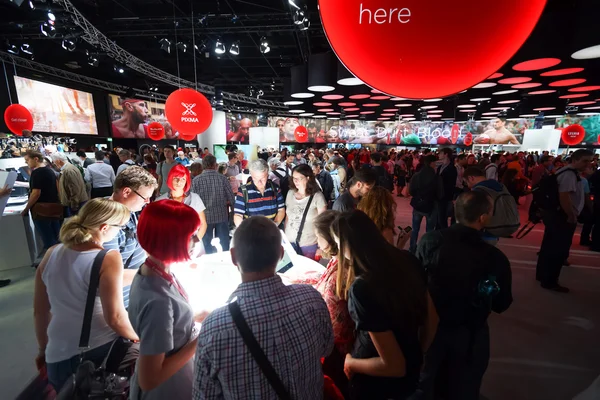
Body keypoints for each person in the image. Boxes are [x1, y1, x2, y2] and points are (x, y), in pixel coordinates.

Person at [193, 216, 334, 399]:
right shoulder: (311, 299)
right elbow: (326, 349)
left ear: (233, 257)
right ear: (281, 254)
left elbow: (204, 396)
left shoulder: (215, 327)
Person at [33, 198, 139, 391]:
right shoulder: (109, 257)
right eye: (121, 227)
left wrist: (42, 350)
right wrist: (139, 336)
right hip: (98, 352)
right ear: (105, 228)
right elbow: (115, 318)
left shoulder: (51, 253)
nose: (121, 232)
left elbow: (40, 312)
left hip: (57, 354)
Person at [331, 210, 438, 400]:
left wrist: (351, 363)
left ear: (348, 246)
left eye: (338, 245)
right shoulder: (407, 260)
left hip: (376, 384)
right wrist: (416, 354)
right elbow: (433, 320)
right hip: (408, 378)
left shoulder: (363, 287)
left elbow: (393, 366)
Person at [416, 191, 513, 400]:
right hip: (469, 333)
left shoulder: (430, 241)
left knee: (424, 384)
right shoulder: (495, 258)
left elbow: (417, 281)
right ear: (483, 217)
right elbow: (501, 303)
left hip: (430, 328)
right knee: (464, 388)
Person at [128, 200, 203, 400]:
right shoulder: (157, 300)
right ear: (171, 239)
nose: (197, 241)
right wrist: (200, 339)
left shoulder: (153, 269)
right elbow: (149, 378)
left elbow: (167, 324)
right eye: (192, 235)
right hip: (169, 388)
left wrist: (196, 317)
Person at [536, 149, 594, 292]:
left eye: (589, 160)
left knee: (549, 246)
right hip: (561, 217)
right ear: (574, 160)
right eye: (585, 161)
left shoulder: (566, 172)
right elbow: (564, 196)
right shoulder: (569, 175)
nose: (588, 164)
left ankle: (543, 275)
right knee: (557, 249)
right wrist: (571, 215)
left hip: (556, 215)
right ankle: (549, 280)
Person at [314, 210, 355, 397]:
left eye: (317, 237)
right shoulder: (336, 262)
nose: (316, 241)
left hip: (338, 352)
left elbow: (335, 323)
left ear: (331, 239)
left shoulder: (340, 273)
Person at [104, 166, 158, 306]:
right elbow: (109, 277)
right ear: (126, 192)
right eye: (145, 197)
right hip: (119, 304)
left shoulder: (129, 212)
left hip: (133, 296)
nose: (147, 201)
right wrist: (152, 272)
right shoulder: (108, 223)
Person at [156, 164, 207, 254]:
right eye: (176, 178)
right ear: (170, 178)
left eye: (183, 179)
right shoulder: (160, 201)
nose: (179, 182)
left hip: (193, 247)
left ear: (187, 181)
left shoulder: (195, 198)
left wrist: (194, 242)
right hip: (169, 247)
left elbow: (203, 224)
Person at [191, 154, 236, 253]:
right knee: (224, 243)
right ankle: (224, 262)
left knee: (207, 245)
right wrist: (234, 214)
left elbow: (193, 201)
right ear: (215, 165)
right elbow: (231, 198)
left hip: (205, 217)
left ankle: (210, 261)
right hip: (221, 214)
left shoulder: (196, 180)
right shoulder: (223, 178)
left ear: (203, 165)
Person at [21, 150, 62, 251]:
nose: (26, 163)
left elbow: (36, 193)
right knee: (57, 236)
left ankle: (52, 261)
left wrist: (26, 208)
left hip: (41, 210)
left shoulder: (37, 173)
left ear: (35, 159)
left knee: (48, 238)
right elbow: (58, 189)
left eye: (27, 160)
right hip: (54, 207)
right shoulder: (50, 170)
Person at [285, 164, 327, 259]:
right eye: (294, 178)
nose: (295, 181)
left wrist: (321, 247)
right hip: (290, 244)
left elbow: (323, 223)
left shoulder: (317, 196)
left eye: (299, 178)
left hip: (309, 245)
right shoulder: (290, 193)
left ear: (308, 178)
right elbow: (288, 217)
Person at [233, 159, 286, 227]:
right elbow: (238, 215)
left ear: (267, 175)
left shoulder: (275, 188)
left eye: (262, 178)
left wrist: (274, 225)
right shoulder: (243, 191)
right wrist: (244, 231)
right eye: (255, 179)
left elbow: (281, 210)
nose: (259, 182)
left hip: (272, 231)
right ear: (251, 176)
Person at [408, 155, 442, 253]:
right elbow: (440, 194)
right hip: (432, 206)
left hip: (418, 205)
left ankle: (412, 248)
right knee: (430, 230)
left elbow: (411, 191)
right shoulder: (436, 177)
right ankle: (426, 250)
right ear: (432, 163)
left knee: (415, 229)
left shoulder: (417, 175)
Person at [50, 152, 89, 217]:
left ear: (58, 161)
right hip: (75, 203)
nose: (54, 163)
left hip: (75, 204)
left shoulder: (68, 170)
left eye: (54, 161)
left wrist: (74, 205)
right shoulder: (68, 169)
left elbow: (74, 189)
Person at [437, 148, 458, 229]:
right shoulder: (440, 166)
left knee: (443, 217)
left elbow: (451, 184)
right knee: (439, 217)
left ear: (445, 154)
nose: (439, 155)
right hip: (439, 195)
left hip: (445, 196)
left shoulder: (452, 168)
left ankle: (444, 234)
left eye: (440, 153)